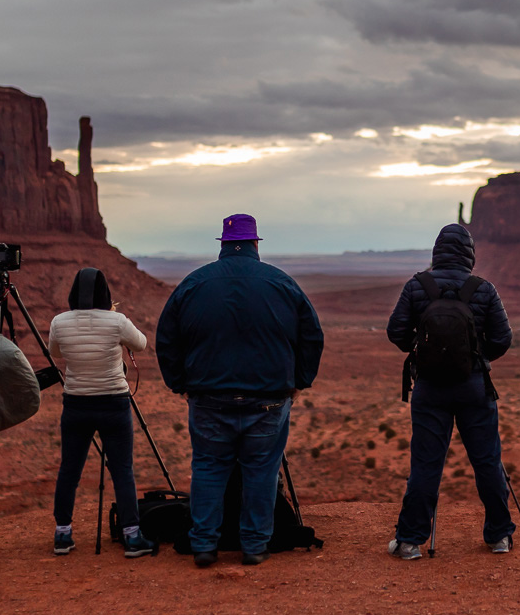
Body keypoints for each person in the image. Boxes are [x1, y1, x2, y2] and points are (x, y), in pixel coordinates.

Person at [156, 213, 323, 567]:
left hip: (208, 398)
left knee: (208, 468)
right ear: (255, 244)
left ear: (223, 244)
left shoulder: (193, 284)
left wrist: (179, 385)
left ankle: (203, 545)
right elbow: (312, 336)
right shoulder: (282, 283)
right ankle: (254, 546)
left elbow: (166, 338)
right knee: (262, 471)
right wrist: (299, 383)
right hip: (268, 400)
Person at [385, 223, 516, 558]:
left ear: (437, 251)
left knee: (426, 464)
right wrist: (476, 358)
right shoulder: (483, 289)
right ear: (469, 254)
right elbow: (502, 339)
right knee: (487, 461)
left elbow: (396, 331)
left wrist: (421, 351)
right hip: (473, 387)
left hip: (429, 389)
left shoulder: (418, 286)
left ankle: (411, 540)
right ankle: (499, 536)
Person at [47, 267, 155, 558]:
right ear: (105, 293)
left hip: (76, 404)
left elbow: (55, 353)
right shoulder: (117, 320)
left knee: (69, 470)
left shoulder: (59, 321)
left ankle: (62, 535)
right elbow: (143, 344)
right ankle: (132, 537)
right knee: (122, 470)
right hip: (113, 405)